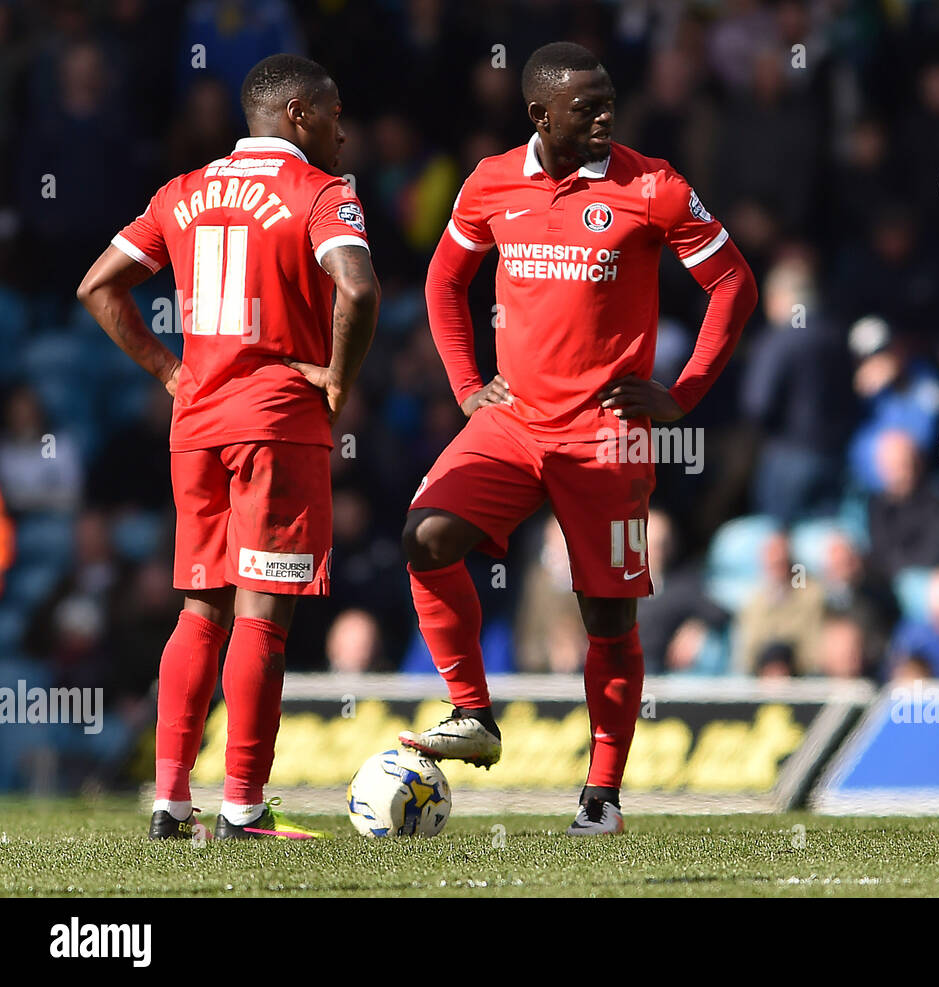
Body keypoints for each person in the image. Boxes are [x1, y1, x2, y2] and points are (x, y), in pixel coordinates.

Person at [401, 42, 756, 835]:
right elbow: (443, 280)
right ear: (540, 116)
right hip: (512, 420)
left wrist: (683, 393)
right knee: (425, 537)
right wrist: (466, 386)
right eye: (586, 107)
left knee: (608, 617)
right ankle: (472, 711)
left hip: (609, 436)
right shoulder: (492, 181)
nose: (605, 117)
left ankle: (601, 798)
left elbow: (733, 281)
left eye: (609, 102)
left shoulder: (653, 185)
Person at [76, 54, 379, 839]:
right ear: (300, 115)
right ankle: (243, 807)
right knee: (262, 620)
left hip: (197, 425)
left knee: (198, 611)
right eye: (335, 112)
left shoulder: (182, 191)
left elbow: (97, 286)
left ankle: (171, 803)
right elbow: (359, 287)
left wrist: (170, 369)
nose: (344, 131)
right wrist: (340, 377)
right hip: (276, 421)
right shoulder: (320, 193)